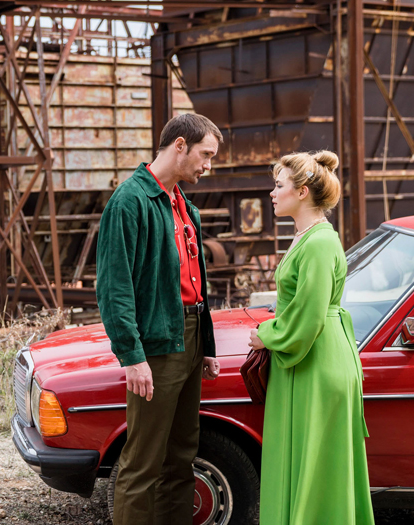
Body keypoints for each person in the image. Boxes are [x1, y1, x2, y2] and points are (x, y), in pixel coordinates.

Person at [96, 113, 222, 525]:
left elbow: (198, 284)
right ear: (180, 145)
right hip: (157, 344)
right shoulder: (129, 201)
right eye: (205, 155)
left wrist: (206, 346)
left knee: (182, 455)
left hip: (189, 339)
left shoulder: (186, 206)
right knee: (143, 460)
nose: (209, 165)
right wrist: (131, 356)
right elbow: (114, 288)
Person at [248, 151, 375, 525]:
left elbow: (309, 314)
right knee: (308, 459)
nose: (272, 193)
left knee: (316, 462)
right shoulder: (309, 237)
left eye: (279, 185)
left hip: (316, 360)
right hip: (310, 357)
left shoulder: (318, 243)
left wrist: (266, 335)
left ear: (302, 192)